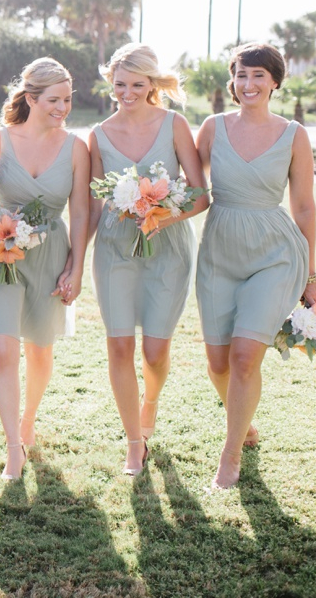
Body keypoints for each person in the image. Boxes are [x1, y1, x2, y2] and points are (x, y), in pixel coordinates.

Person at [195, 43, 316, 489]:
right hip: (219, 252)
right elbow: (190, 186)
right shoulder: (212, 128)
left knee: (246, 357)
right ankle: (243, 425)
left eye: (258, 76)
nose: (248, 84)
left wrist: (311, 277)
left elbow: (304, 207)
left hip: (275, 255)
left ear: (275, 82)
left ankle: (230, 456)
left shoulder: (293, 134)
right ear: (233, 81)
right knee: (218, 361)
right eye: (242, 75)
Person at [88, 43, 207, 476]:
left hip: (169, 247)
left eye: (137, 84)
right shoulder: (97, 135)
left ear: (152, 84)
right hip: (115, 248)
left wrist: (161, 216)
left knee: (155, 352)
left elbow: (200, 195)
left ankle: (150, 401)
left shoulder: (175, 125)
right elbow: (94, 203)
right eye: (121, 84)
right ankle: (134, 443)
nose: (128, 92)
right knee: (119, 346)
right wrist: (72, 259)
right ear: (111, 83)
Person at [0, 58, 89, 480]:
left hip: (51, 255)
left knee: (40, 348)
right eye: (54, 100)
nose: (63, 107)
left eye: (67, 99)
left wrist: (76, 267)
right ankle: (12, 447)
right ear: (30, 98)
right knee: (3, 348)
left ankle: (28, 421)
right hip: (1, 254)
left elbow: (80, 212)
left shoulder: (77, 148)